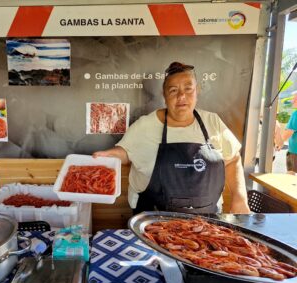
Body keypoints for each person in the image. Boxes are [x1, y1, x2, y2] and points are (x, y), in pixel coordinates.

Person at [93, 62, 250, 214]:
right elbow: (125, 152)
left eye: (188, 89)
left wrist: (240, 198)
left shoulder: (213, 122)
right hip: (153, 221)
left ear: (198, 91)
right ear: (164, 95)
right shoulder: (145, 125)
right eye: (173, 90)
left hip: (208, 222)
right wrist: (108, 156)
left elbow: (233, 159)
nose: (182, 96)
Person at [276, 93, 297, 174]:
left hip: (295, 152)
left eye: (296, 99)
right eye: (294, 99)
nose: (293, 101)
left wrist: (279, 143)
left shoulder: (296, 114)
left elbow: (289, 132)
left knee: (290, 177)